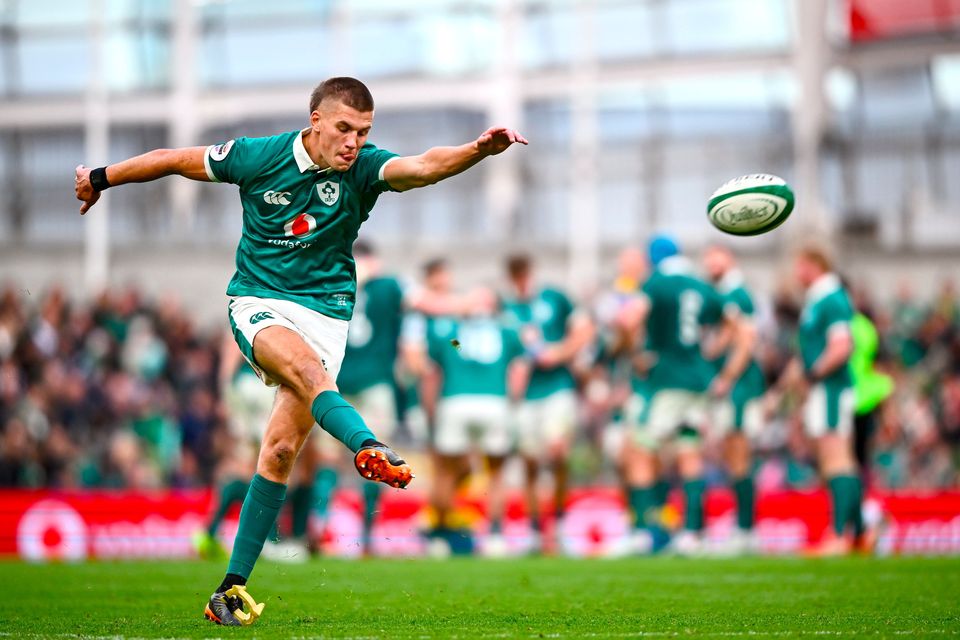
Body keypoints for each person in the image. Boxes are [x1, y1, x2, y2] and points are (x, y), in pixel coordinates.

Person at [74, 76, 527, 626]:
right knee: (311, 376)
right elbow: (172, 158)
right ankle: (369, 446)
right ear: (314, 120)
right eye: (343, 129)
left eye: (363, 132)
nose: (353, 143)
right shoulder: (258, 157)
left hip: (329, 315)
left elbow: (424, 165)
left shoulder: (363, 169)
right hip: (259, 303)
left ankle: (231, 589)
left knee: (281, 451)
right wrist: (99, 178)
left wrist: (478, 150)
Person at [621, 236, 735, 555]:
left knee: (641, 450)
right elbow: (735, 324)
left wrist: (636, 355)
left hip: (667, 380)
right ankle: (693, 533)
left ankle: (644, 531)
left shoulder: (655, 283)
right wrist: (712, 352)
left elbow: (628, 319)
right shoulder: (700, 284)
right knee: (689, 454)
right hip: (698, 380)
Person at [771, 245, 862, 555]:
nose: (796, 274)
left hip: (832, 389)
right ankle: (860, 531)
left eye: (799, 266)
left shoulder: (831, 298)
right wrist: (781, 391)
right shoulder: (817, 301)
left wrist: (814, 376)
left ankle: (839, 535)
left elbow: (842, 346)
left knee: (836, 458)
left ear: (813, 265)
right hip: (824, 389)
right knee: (834, 462)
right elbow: (805, 355)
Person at [501, 254, 594, 553]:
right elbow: (460, 341)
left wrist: (560, 352)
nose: (522, 281)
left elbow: (586, 330)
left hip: (557, 388)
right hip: (525, 396)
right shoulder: (506, 310)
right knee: (529, 461)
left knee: (558, 452)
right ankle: (534, 531)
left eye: (524, 273)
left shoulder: (555, 298)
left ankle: (561, 522)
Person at [426, 286, 526, 557]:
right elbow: (518, 365)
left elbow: (450, 355)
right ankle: (494, 536)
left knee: (445, 472)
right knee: (495, 474)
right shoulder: (506, 331)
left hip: (456, 401)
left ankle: (441, 537)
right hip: (494, 402)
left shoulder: (450, 333)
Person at [333, 240, 404, 556]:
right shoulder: (388, 285)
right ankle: (366, 535)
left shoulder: (332, 278)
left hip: (335, 382)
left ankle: (318, 526)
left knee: (327, 460)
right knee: (377, 458)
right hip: (376, 381)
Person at [702, 245, 766, 553]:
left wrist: (727, 376)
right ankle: (743, 527)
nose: (711, 262)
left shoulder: (737, 293)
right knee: (732, 455)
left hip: (740, 387)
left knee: (739, 454)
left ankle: (746, 529)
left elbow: (745, 340)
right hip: (732, 385)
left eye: (717, 256)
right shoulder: (723, 294)